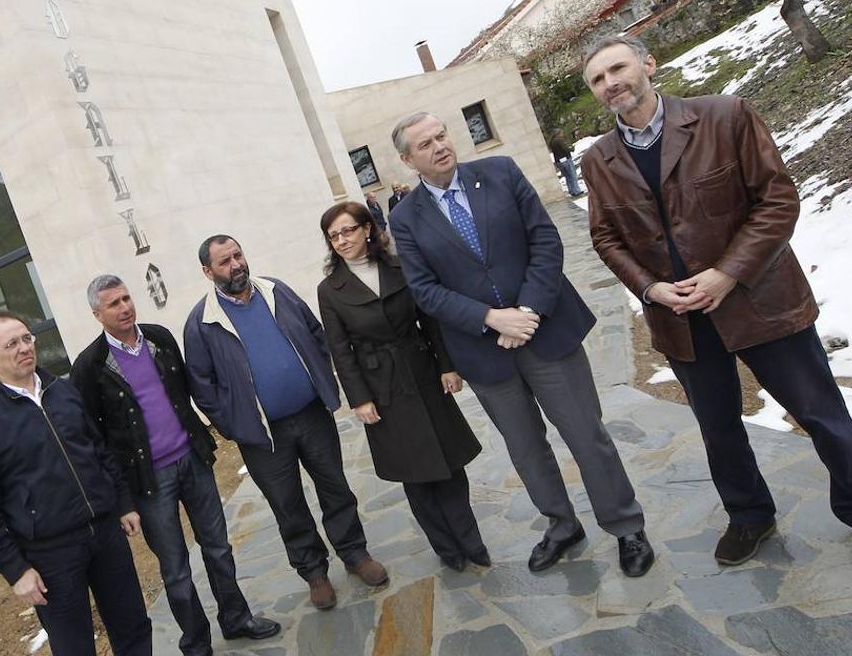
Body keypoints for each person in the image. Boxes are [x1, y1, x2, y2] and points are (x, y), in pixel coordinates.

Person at [580, 33, 852, 565]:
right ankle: (749, 514)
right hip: (682, 319)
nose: (611, 84)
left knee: (821, 413)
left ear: (648, 63)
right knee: (719, 428)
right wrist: (650, 288)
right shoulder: (598, 161)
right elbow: (605, 237)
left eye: (617, 69)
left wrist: (727, 273)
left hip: (761, 299)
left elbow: (777, 201)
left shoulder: (725, 117)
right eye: (597, 79)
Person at [387, 111, 655, 578]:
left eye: (442, 134)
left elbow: (545, 241)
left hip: (546, 332)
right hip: (484, 351)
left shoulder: (501, 172)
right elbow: (424, 289)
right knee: (526, 448)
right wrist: (491, 319)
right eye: (425, 144)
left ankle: (625, 525)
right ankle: (561, 525)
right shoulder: (405, 218)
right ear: (408, 160)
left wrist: (527, 312)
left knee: (586, 435)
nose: (440, 146)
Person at [70, 276, 280, 656]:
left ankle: (236, 618)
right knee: (176, 570)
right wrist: (121, 498)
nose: (125, 307)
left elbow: (185, 392)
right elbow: (93, 436)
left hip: (192, 461)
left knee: (218, 548)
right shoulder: (90, 367)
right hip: (149, 482)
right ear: (97, 315)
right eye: (113, 304)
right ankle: (197, 649)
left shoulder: (159, 339)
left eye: (127, 298)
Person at [0, 312, 163, 656]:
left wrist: (122, 502)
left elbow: (99, 451)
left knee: (133, 629)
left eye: (27, 338)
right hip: (50, 556)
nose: (24, 348)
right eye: (11, 344)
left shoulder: (64, 391)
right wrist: (15, 570)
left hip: (104, 535)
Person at [183, 236, 389, 610]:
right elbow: (202, 385)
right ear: (207, 271)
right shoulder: (201, 323)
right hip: (263, 437)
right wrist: (235, 425)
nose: (236, 265)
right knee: (287, 505)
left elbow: (315, 333)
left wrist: (320, 376)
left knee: (335, 488)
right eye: (225, 261)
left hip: (311, 415)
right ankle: (314, 573)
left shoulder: (276, 290)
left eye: (238, 255)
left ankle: (356, 554)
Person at [315, 201, 488, 571]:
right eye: (333, 236)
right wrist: (359, 398)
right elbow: (340, 350)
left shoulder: (401, 265)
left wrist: (447, 366)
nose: (341, 240)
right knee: (415, 473)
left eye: (347, 230)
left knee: (450, 462)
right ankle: (447, 549)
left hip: (423, 371)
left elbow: (431, 319)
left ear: (366, 229)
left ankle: (471, 542)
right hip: (382, 388)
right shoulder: (330, 290)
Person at [549, 130, 584, 197]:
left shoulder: (552, 142)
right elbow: (564, 149)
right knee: (572, 175)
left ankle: (571, 190)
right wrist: (571, 149)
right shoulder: (559, 140)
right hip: (566, 159)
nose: (562, 134)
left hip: (559, 162)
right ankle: (576, 191)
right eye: (561, 132)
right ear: (558, 133)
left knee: (567, 177)